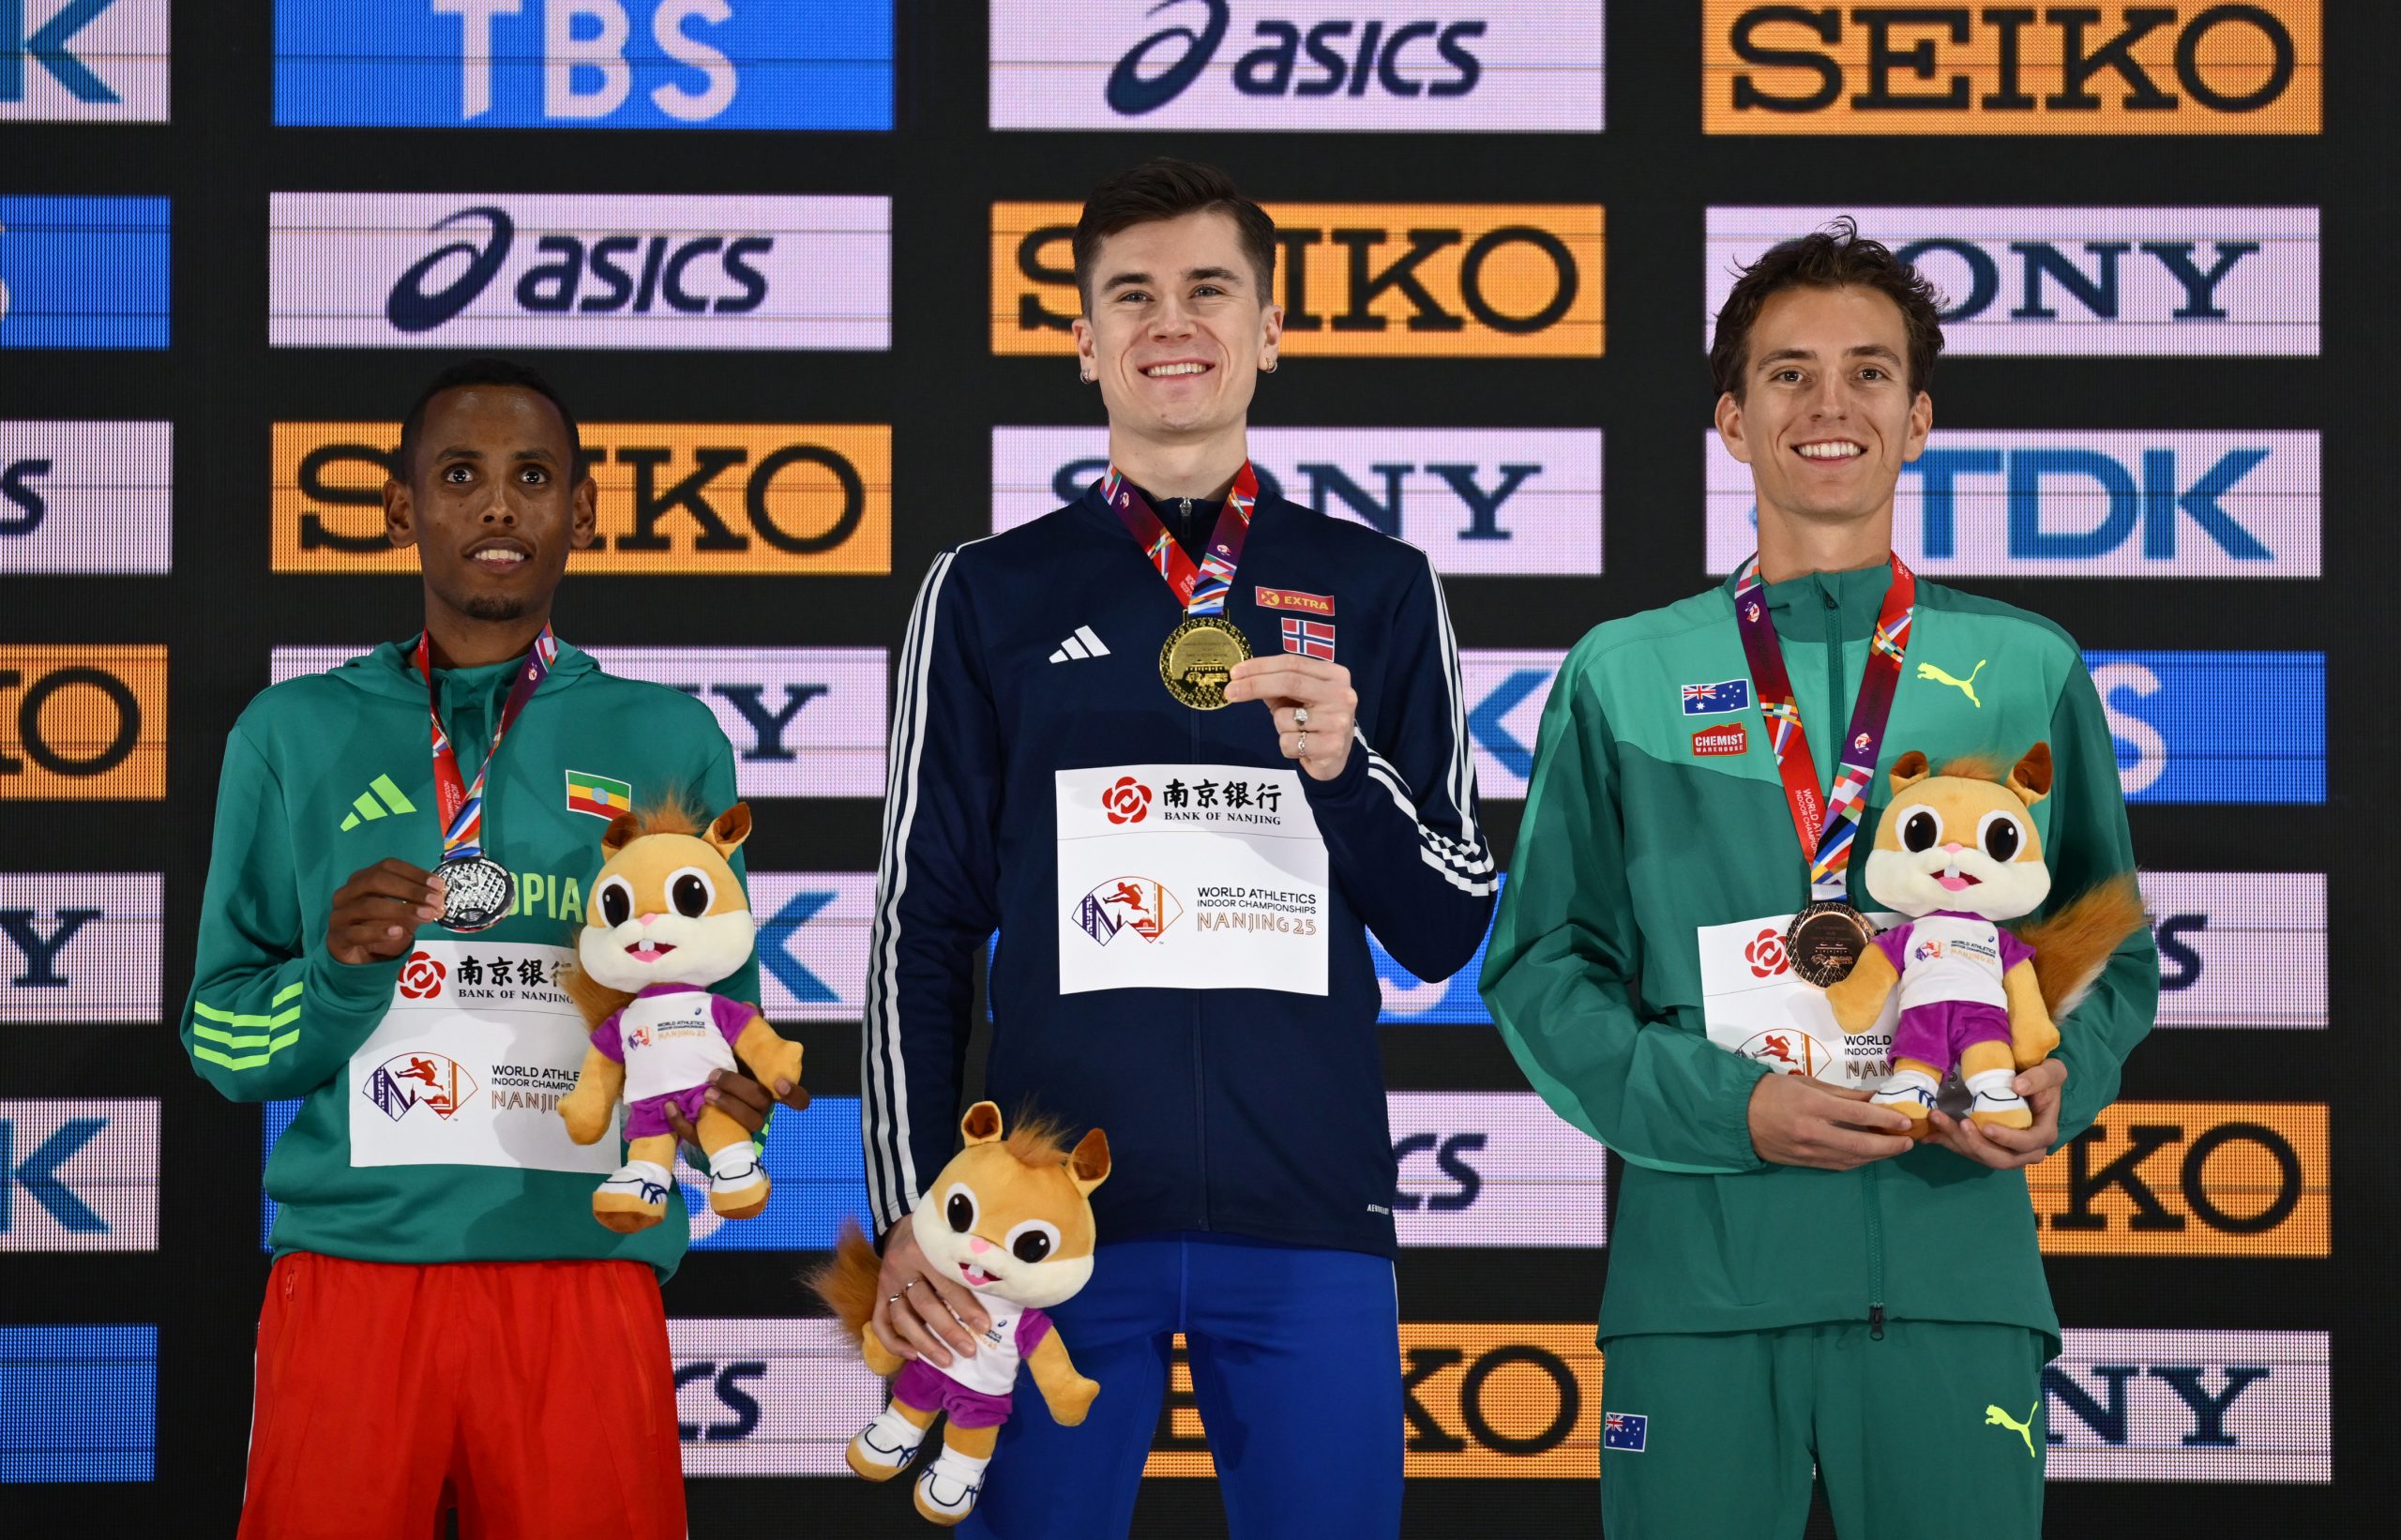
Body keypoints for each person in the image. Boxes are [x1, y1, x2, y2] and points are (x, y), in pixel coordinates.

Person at [1479, 221, 2157, 1538]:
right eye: (1788, 374)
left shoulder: (2026, 665)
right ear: (1733, 421)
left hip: (1955, 1260)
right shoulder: (1624, 671)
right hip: (1702, 1280)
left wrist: (2058, 1073)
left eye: (1867, 372)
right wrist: (1733, 1110)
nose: (1829, 404)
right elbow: (1545, 967)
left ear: (1917, 421)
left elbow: (2102, 949)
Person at [856, 158, 1495, 1536]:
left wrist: (1345, 770)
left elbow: (1449, 919)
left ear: (1272, 328)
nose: (1172, 322)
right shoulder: (985, 591)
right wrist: (917, 1205)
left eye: (1211, 289)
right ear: (1082, 339)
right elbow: (924, 922)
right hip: (1042, 1227)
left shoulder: (1382, 585)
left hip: (1311, 1210)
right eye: (1130, 294)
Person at [180, 358, 803, 1538]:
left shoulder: (667, 735)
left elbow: (721, 1022)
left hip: (582, 1269)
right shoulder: (291, 732)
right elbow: (220, 1036)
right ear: (400, 508)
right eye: (460, 475)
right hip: (356, 1273)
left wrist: (739, 1099)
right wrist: (336, 978)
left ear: (583, 509)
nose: (500, 507)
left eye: (533, 476)